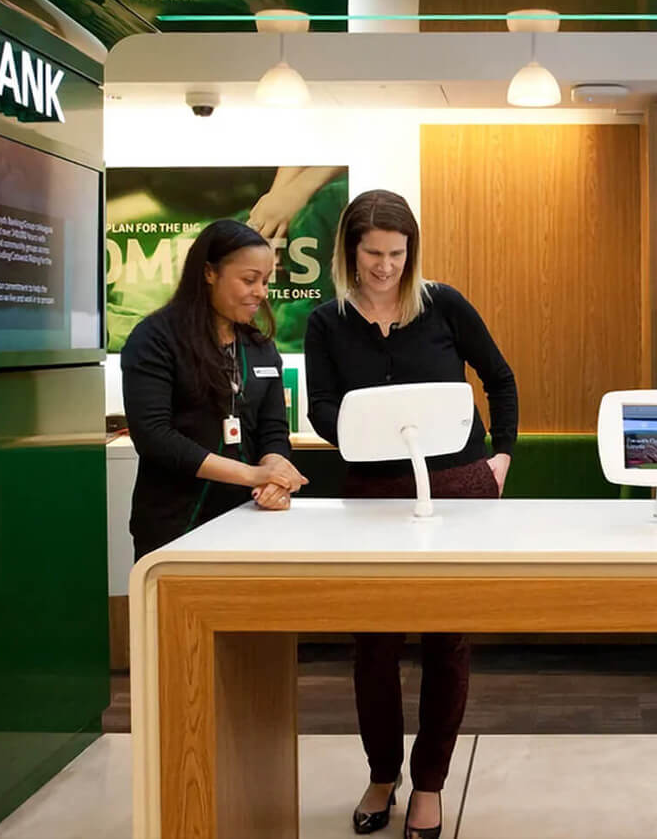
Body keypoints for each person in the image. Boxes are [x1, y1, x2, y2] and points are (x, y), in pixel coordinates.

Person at [304, 189, 518, 839]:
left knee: (447, 643)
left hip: (459, 489)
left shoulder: (443, 303)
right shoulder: (326, 321)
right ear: (350, 251)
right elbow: (317, 407)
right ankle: (381, 773)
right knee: (374, 645)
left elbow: (500, 378)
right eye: (373, 254)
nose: (386, 267)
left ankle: (429, 785)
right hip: (373, 497)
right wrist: (363, 428)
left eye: (397, 254)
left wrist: (501, 459)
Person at [121, 219, 309, 560]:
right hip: (175, 523)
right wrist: (252, 474)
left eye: (265, 281)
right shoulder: (155, 339)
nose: (261, 292)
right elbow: (154, 436)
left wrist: (274, 474)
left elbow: (273, 428)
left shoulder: (259, 346)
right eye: (249, 280)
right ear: (209, 273)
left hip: (247, 520)